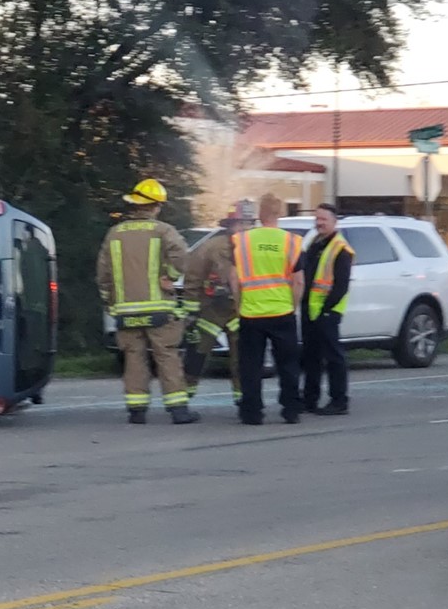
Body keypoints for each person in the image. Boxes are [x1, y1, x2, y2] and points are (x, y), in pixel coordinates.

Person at [96, 178, 200, 425]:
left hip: (125, 311)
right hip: (159, 309)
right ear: (155, 207)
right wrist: (171, 277)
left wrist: (110, 304)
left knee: (134, 358)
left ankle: (137, 410)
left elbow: (103, 275)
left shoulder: (114, 234)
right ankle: (178, 411)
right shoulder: (163, 230)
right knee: (167, 356)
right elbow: (183, 257)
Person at [232, 193, 305, 425]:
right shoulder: (292, 242)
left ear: (259, 214)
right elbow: (299, 281)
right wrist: (292, 307)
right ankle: (291, 410)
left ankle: (252, 412)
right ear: (279, 213)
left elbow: (234, 279)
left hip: (251, 313)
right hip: (282, 312)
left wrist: (239, 304)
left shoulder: (242, 240)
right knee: (288, 365)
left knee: (250, 366)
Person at [181, 200, 256, 406]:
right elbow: (193, 277)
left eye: (249, 223)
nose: (245, 228)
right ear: (230, 225)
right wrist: (191, 310)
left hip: (241, 311)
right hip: (210, 310)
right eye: (241, 223)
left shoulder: (254, 247)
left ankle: (244, 400)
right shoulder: (211, 247)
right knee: (195, 355)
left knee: (242, 358)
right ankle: (183, 400)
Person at [301, 202, 354, 415]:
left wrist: (326, 309)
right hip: (310, 309)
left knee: (333, 357)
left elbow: (341, 285)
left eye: (324, 219)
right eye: (317, 219)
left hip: (328, 311)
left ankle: (339, 400)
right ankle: (310, 399)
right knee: (310, 357)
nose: (319, 223)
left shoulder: (341, 249)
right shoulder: (315, 243)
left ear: (334, 222)